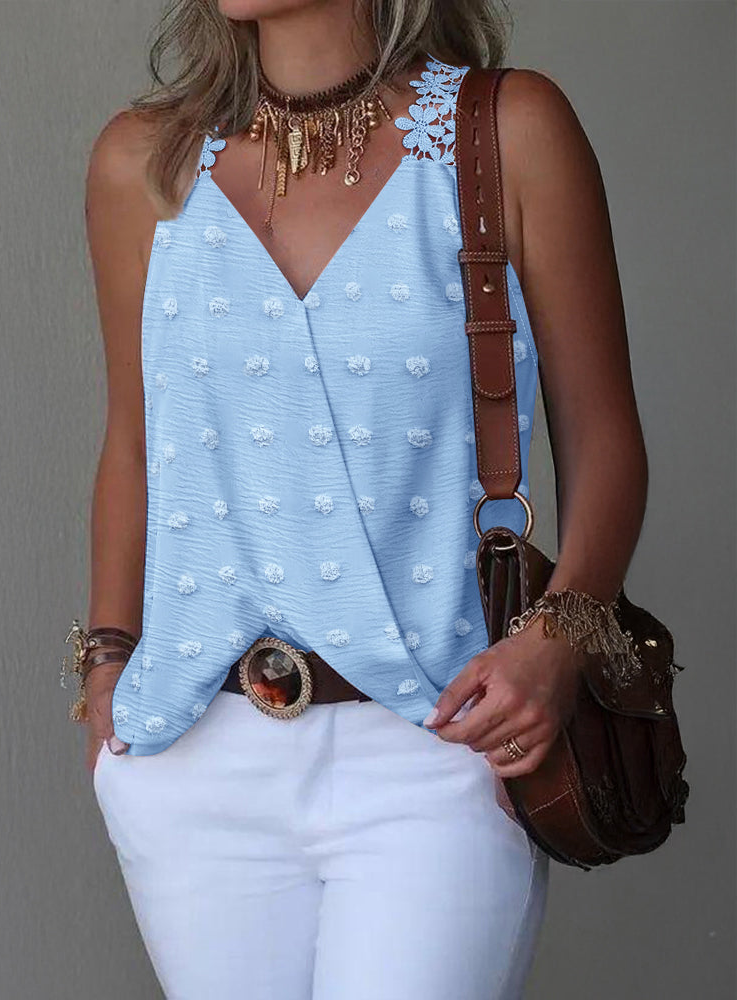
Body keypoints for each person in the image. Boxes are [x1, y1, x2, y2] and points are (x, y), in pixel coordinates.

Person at [74, 1, 649, 997]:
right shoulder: (143, 163)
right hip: (191, 753)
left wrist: (557, 640)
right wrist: (107, 659)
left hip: (435, 748)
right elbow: (134, 441)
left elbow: (605, 440)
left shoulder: (506, 134)